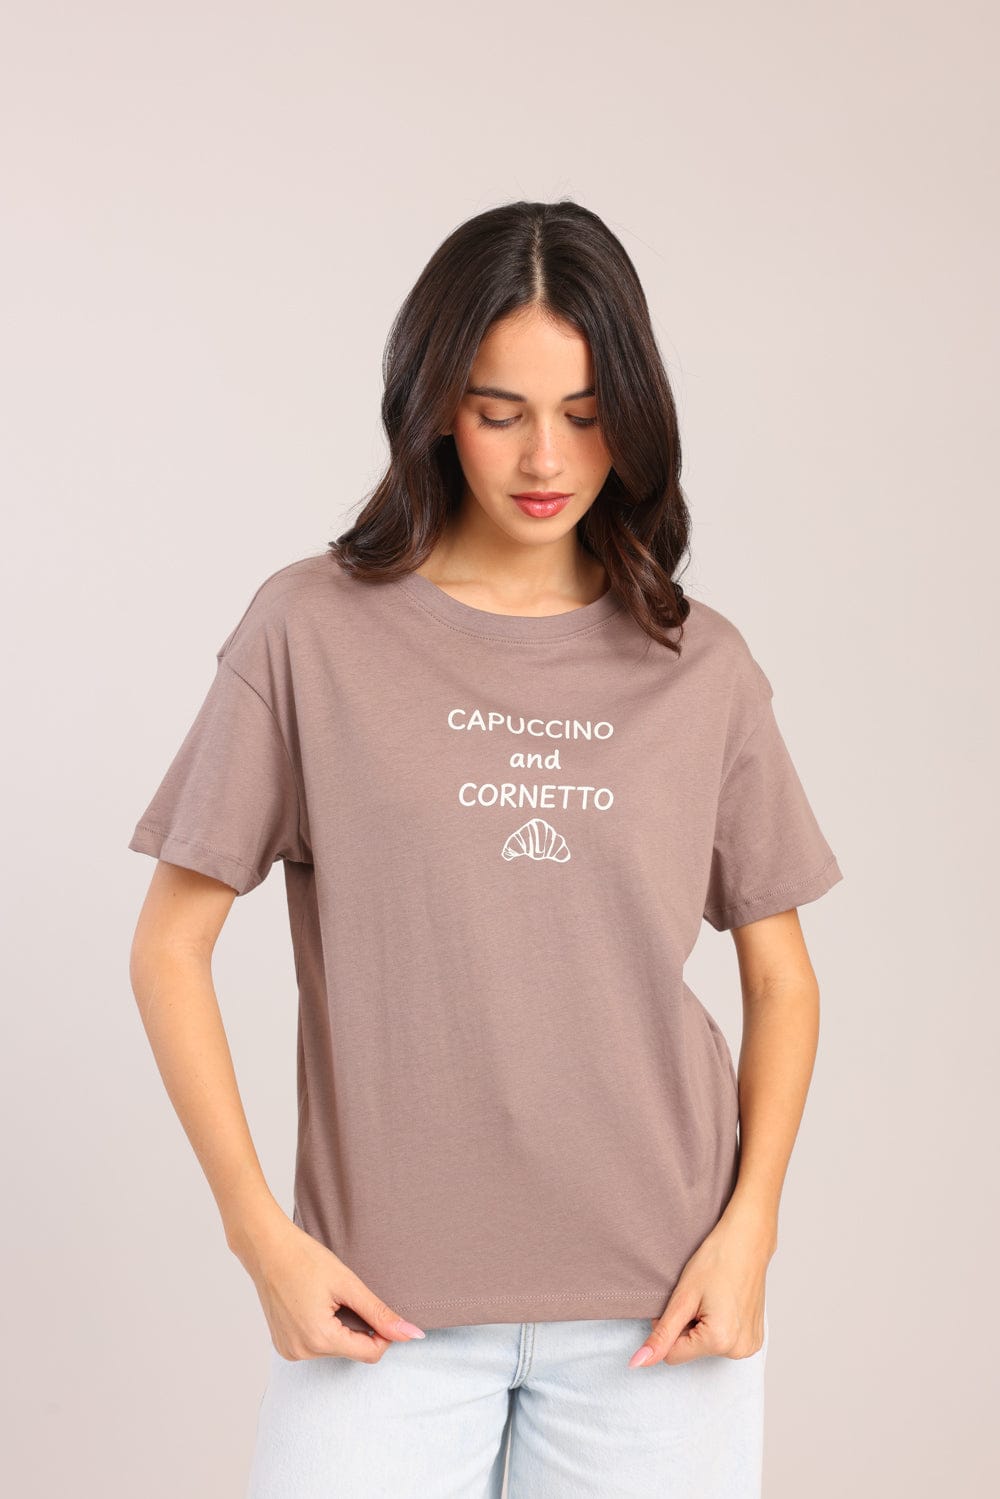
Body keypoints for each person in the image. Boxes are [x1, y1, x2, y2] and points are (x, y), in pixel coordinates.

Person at [127, 199, 843, 1499]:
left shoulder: (700, 664)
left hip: (660, 1306)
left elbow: (782, 979)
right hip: (382, 1310)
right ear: (434, 408)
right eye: (500, 411)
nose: (544, 457)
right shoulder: (309, 633)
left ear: (635, 415)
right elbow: (170, 946)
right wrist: (260, 1237)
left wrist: (753, 1231)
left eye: (585, 412)